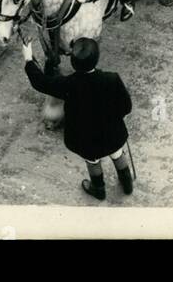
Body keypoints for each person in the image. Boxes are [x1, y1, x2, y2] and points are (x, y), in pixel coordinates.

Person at [21, 37, 135, 199]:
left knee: (93, 161)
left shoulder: (67, 84)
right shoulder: (112, 78)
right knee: (117, 153)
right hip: (113, 134)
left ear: (73, 63)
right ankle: (127, 184)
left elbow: (40, 82)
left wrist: (28, 57)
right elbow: (126, 107)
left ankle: (98, 189)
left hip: (85, 140)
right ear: (97, 58)